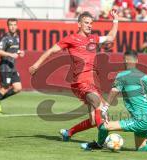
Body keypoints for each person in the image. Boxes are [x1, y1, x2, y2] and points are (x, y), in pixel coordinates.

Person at [29, 11, 119, 141]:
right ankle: (103, 142)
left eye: (91, 23)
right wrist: (36, 65)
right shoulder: (71, 39)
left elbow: (110, 37)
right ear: (79, 24)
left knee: (94, 120)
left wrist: (115, 20)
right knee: (101, 107)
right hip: (82, 81)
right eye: (86, 23)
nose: (89, 26)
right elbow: (51, 51)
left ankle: (68, 133)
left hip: (94, 81)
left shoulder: (93, 38)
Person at [0, 18, 25, 115]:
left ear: (17, 26)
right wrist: (11, 55)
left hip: (12, 66)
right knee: (5, 87)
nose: (13, 27)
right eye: (10, 25)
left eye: (14, 25)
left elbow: (14, 50)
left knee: (18, 88)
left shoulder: (17, 37)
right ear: (8, 26)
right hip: (5, 67)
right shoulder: (5, 38)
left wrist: (19, 52)